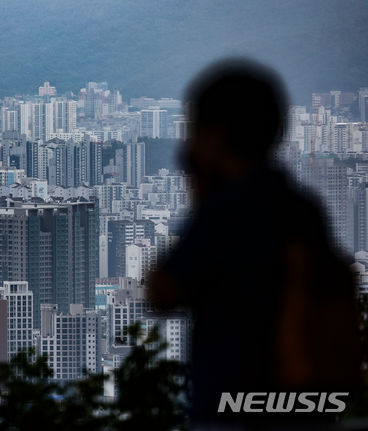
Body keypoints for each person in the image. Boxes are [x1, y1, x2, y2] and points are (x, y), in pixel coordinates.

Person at [148, 58, 361, 429]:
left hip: (233, 407)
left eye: (193, 129)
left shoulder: (226, 210)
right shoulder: (301, 205)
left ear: (213, 136)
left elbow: (162, 292)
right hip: (303, 403)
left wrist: (199, 193)